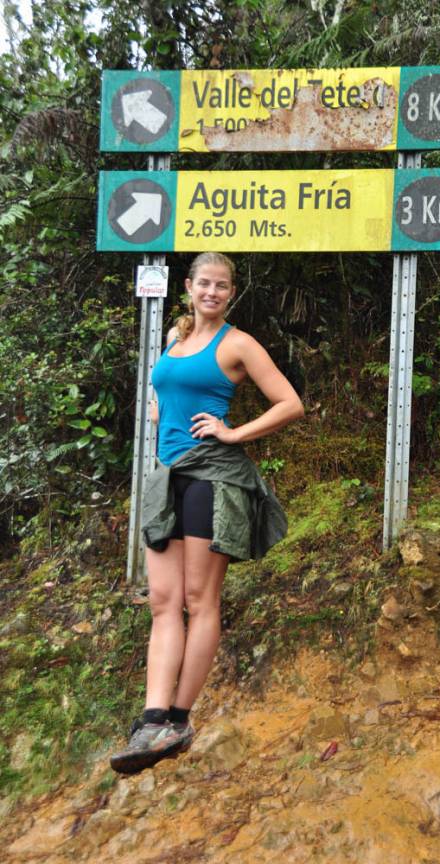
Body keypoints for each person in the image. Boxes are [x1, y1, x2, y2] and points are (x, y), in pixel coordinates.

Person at [110, 252, 304, 774]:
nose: (212, 292)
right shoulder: (175, 338)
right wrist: (163, 415)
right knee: (163, 600)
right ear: (189, 287)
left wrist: (233, 432)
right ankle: (152, 720)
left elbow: (290, 403)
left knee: (199, 599)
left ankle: (179, 717)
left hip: (213, 476)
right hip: (168, 476)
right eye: (204, 284)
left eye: (221, 286)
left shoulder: (237, 344)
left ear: (231, 292)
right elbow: (170, 392)